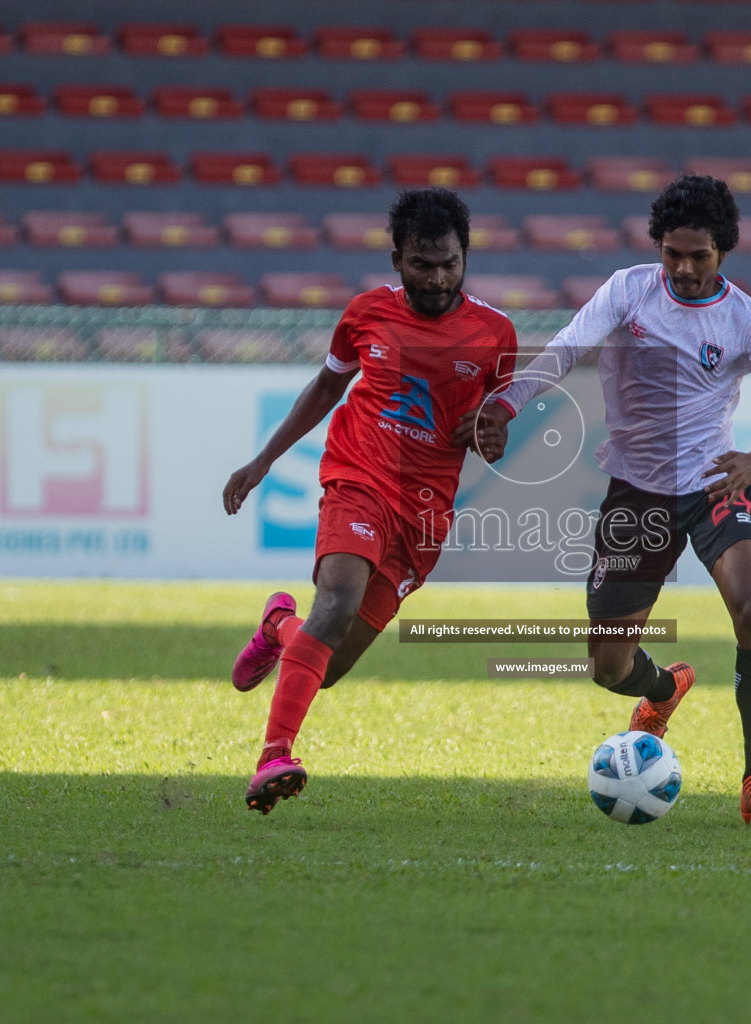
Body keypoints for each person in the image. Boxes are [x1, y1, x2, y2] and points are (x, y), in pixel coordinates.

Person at [471, 175, 751, 824]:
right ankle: (663, 689)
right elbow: (567, 348)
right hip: (636, 493)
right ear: (659, 247)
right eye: (673, 254)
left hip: (715, 484)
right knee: (608, 666)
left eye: (699, 256)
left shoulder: (748, 321)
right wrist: (507, 403)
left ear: (724, 253)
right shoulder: (628, 291)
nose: (683, 268)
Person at [222, 187, 516, 813]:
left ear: (466, 258)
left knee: (323, 665)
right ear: (396, 261)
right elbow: (327, 385)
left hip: (426, 513)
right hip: (359, 476)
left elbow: (498, 430)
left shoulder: (496, 334)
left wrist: (491, 429)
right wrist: (263, 461)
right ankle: (274, 756)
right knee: (336, 600)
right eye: (422, 264)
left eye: (449, 264)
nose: (437, 279)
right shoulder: (365, 314)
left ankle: (279, 624)